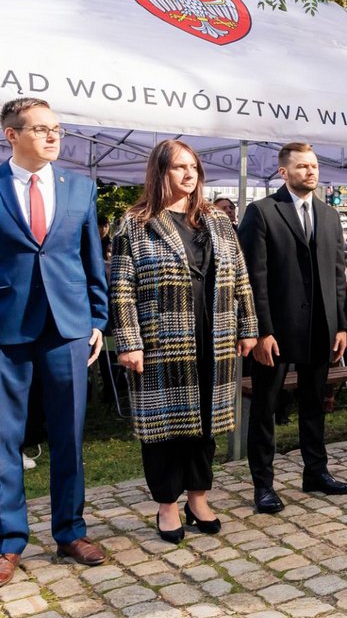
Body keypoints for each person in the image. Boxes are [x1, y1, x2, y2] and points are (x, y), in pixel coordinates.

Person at [109, 140, 258, 543]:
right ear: (160, 172)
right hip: (162, 340)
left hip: (216, 334)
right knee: (164, 428)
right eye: (179, 167)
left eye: (193, 167)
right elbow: (121, 288)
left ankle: (198, 496)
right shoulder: (135, 222)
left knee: (206, 424)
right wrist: (128, 340)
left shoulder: (218, 221)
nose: (189, 174)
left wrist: (249, 327)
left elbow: (240, 277)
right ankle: (167, 504)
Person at [0, 98, 109, 584]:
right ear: (11, 136)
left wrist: (99, 320)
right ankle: (8, 541)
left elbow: (91, 260)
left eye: (56, 129)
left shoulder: (80, 187)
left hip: (68, 328)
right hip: (6, 331)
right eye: (41, 129)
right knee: (4, 440)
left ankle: (69, 531)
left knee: (68, 435)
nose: (52, 137)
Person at [238, 143, 347, 515]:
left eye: (315, 166)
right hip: (277, 330)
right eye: (302, 166)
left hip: (321, 327)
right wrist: (262, 331)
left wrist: (340, 325)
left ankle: (315, 471)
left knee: (314, 404)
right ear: (283, 172)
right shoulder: (262, 212)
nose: (311, 172)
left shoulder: (329, 215)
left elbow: (338, 275)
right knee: (267, 407)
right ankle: (264, 484)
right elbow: (254, 277)